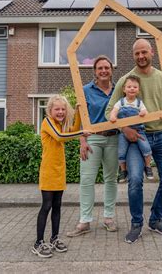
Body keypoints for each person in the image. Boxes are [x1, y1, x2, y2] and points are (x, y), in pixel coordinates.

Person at [106, 38, 162, 244]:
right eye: (137, 53)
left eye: (144, 52)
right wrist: (124, 128)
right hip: (135, 137)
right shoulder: (125, 80)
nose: (140, 56)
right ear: (133, 55)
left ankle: (155, 220)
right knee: (135, 181)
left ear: (152, 53)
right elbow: (109, 111)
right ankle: (137, 223)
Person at [66, 55, 120, 237]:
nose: (104, 71)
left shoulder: (118, 91)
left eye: (107, 67)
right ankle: (85, 221)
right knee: (87, 180)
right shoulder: (85, 90)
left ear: (111, 70)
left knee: (111, 179)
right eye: (100, 68)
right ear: (95, 72)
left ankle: (109, 218)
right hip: (92, 140)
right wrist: (82, 140)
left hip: (114, 139)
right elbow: (79, 117)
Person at [31, 95, 89, 258]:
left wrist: (77, 112)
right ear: (50, 110)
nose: (61, 112)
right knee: (47, 206)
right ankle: (38, 243)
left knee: (57, 206)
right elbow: (60, 137)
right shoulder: (47, 122)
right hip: (48, 172)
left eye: (63, 109)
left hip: (59, 171)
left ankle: (54, 238)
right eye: (57, 109)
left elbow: (72, 129)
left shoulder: (60, 124)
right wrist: (82, 133)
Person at [109, 75, 154, 183]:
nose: (132, 89)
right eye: (129, 87)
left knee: (146, 148)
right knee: (121, 151)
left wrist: (143, 112)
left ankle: (148, 167)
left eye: (135, 87)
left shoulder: (139, 103)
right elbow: (114, 111)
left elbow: (145, 112)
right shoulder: (121, 102)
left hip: (139, 131)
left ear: (138, 90)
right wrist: (113, 116)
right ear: (124, 89)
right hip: (124, 132)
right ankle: (123, 171)